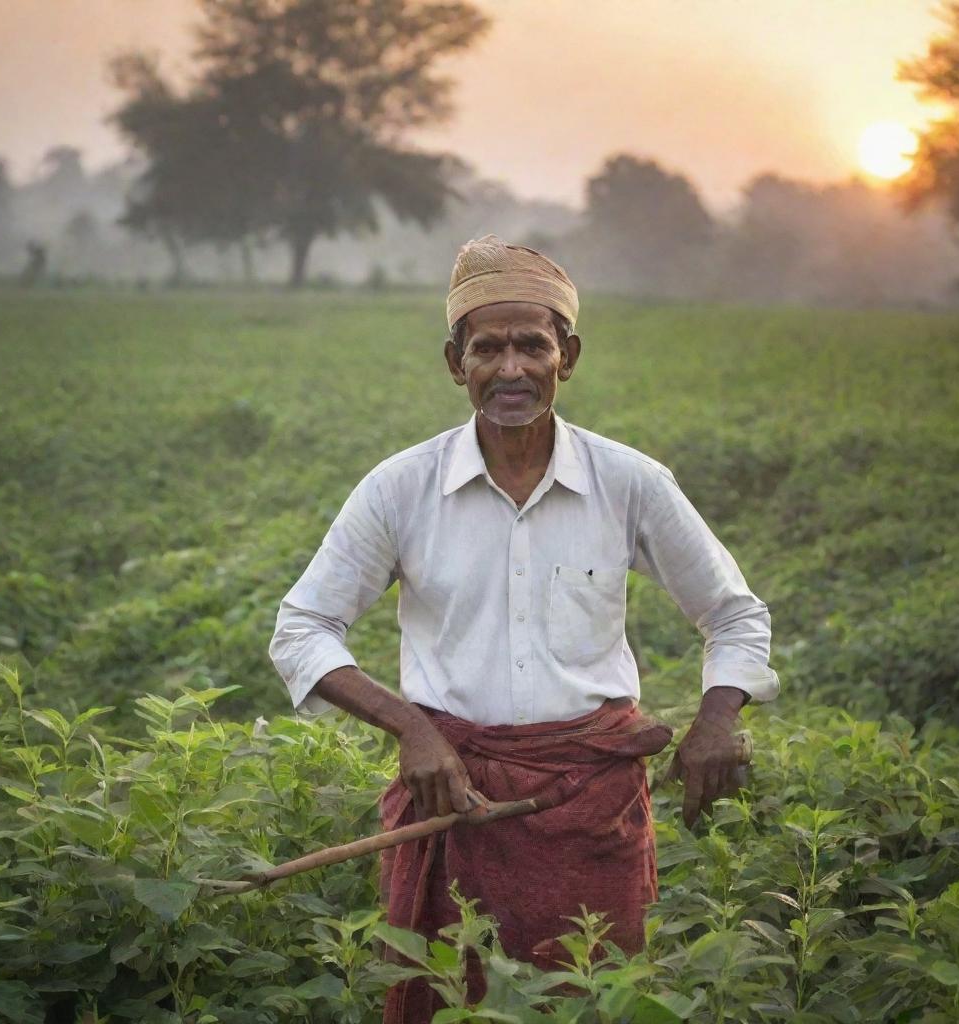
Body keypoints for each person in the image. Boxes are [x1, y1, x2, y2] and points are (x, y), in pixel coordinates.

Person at [269, 235, 779, 1021]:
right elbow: (302, 626)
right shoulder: (402, 488)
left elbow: (733, 612)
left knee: (590, 997)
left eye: (532, 345)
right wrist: (412, 729)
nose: (511, 369)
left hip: (590, 807)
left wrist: (718, 719)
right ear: (454, 362)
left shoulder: (629, 482)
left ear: (566, 355)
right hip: (452, 799)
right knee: (444, 1001)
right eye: (488, 348)